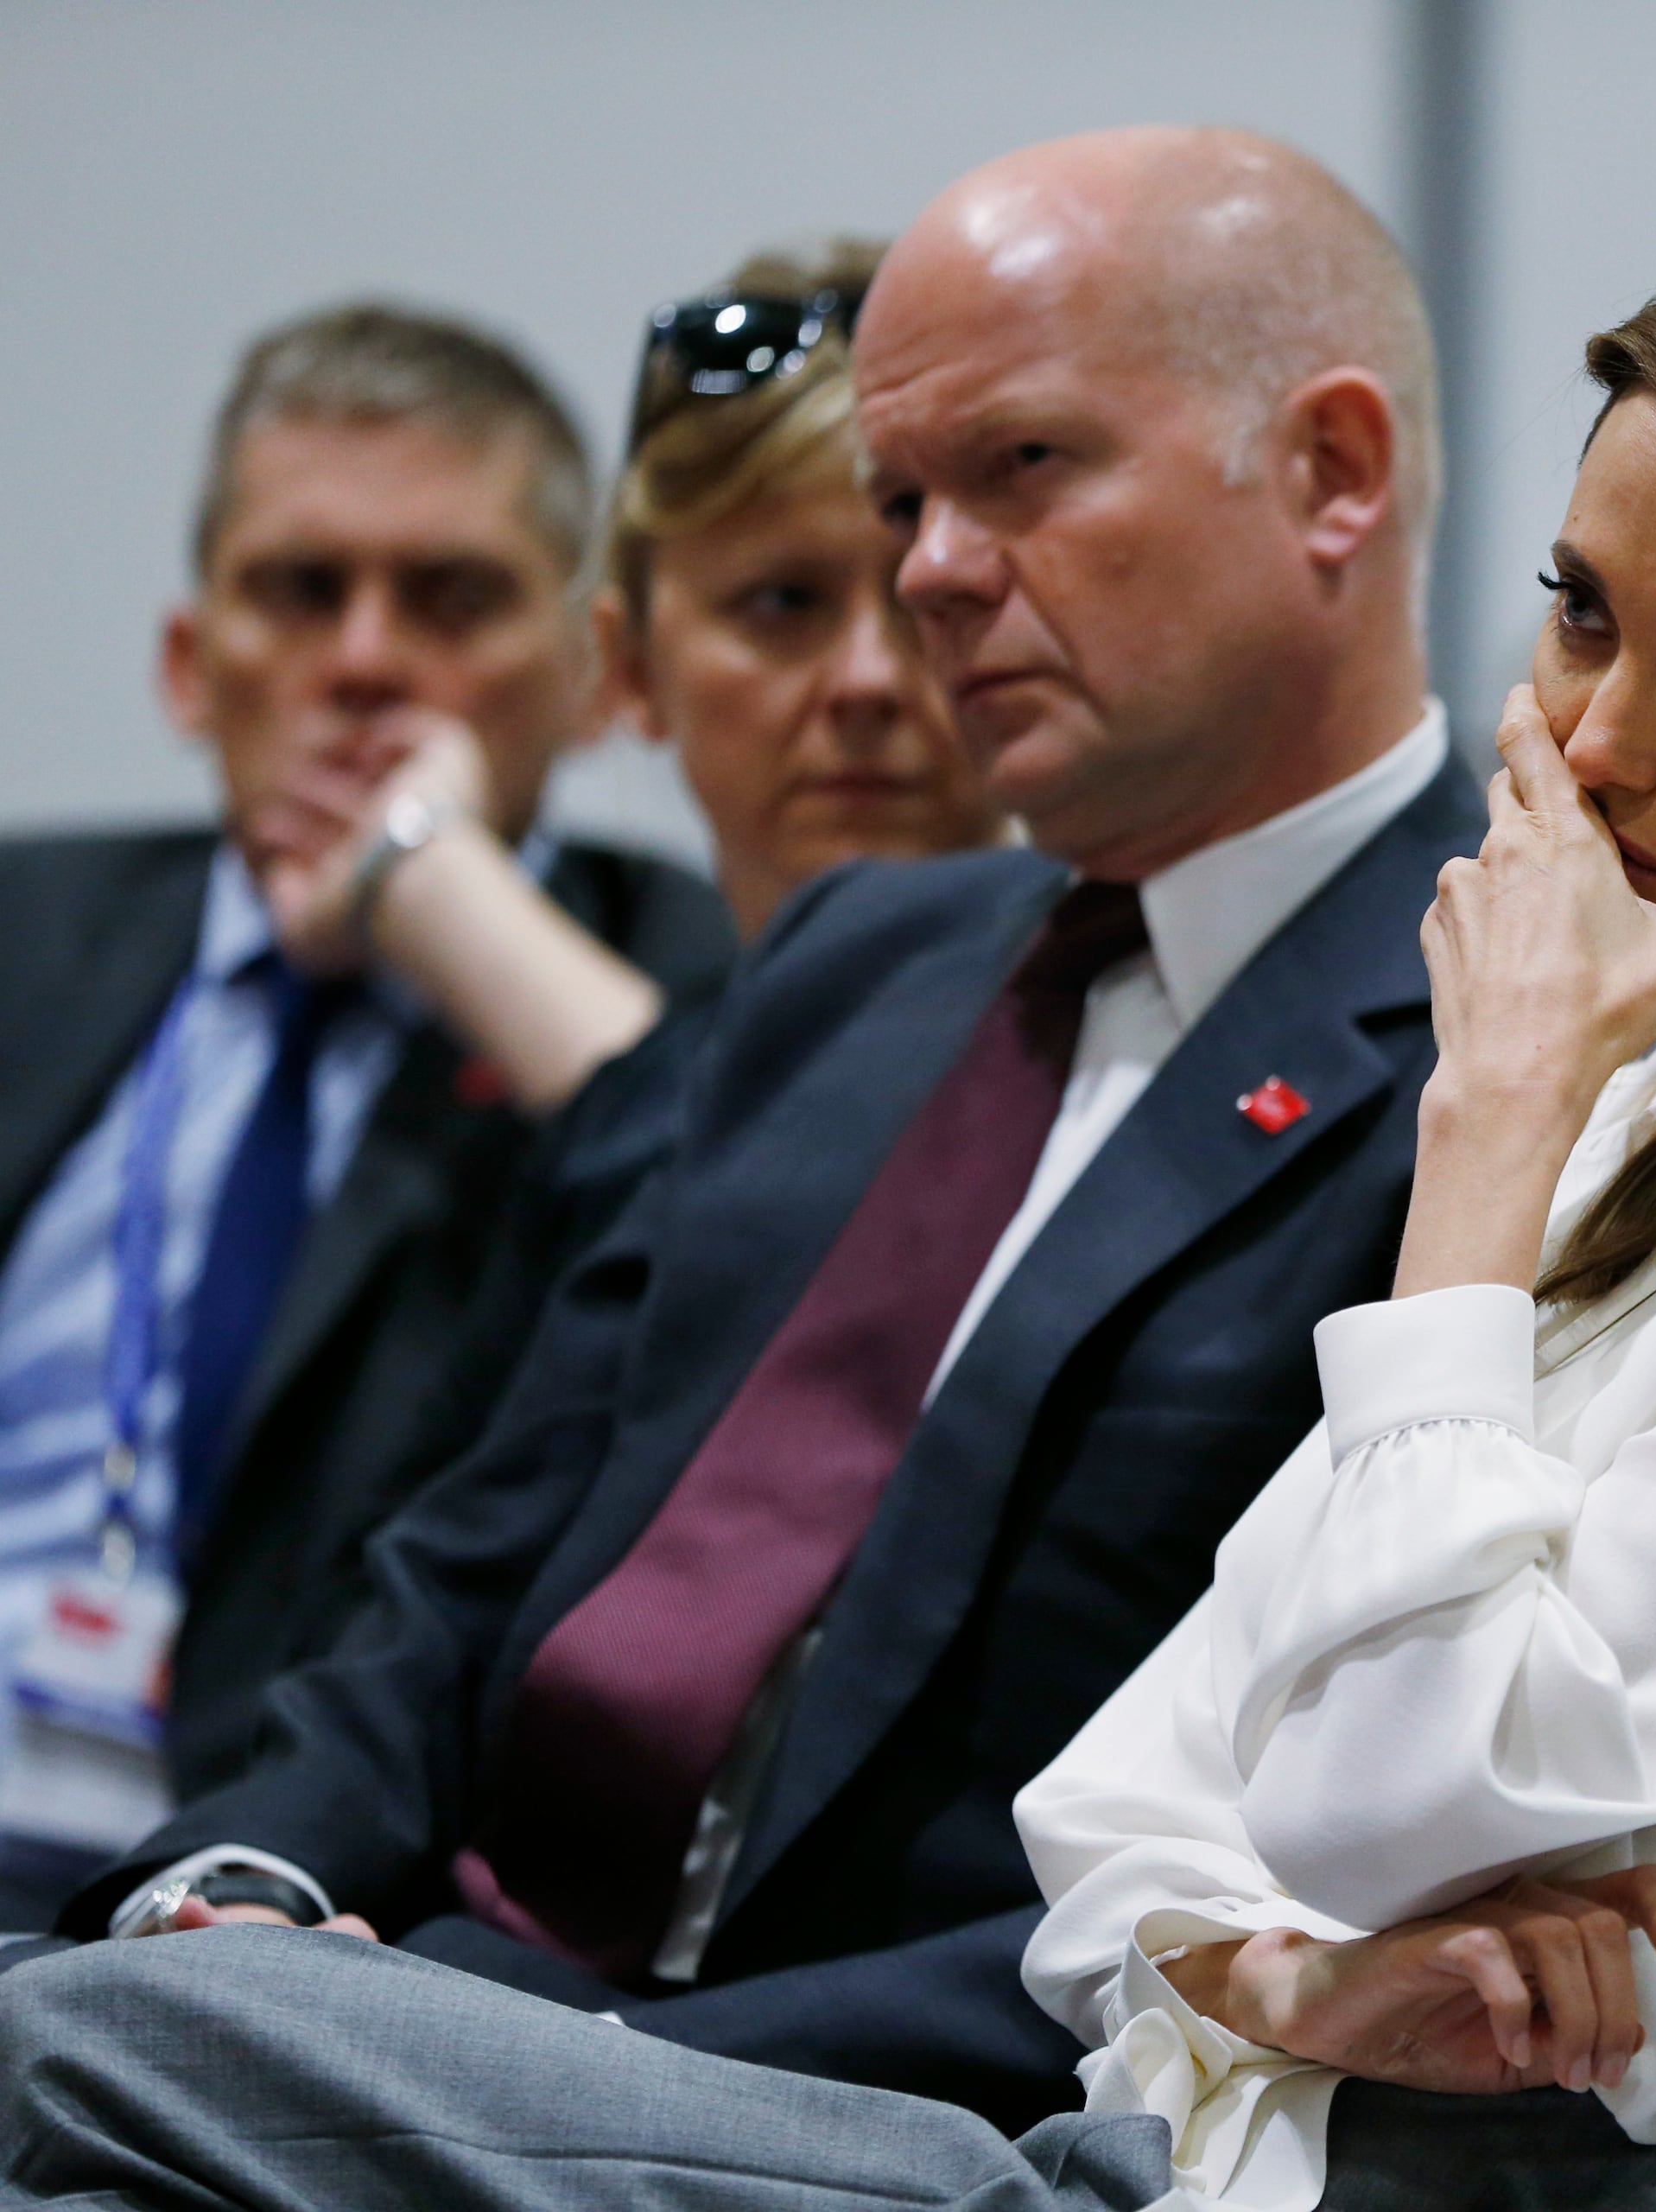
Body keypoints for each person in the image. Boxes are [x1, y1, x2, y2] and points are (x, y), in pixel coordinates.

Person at [0, 207, 1656, 2212]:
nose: (1592, 740)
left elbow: (1402, 1795)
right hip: (1181, 2134)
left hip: (1298, 2171)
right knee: (104, 2112)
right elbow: (1118, 1823)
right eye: (1581, 614)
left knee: (69, 2044)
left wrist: (1485, 1135)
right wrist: (1280, 1969)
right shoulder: (1631, 1121)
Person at [31, 125, 1477, 2129]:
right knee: (78, 2018)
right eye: (903, 501)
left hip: (876, 2105)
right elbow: (471, 1561)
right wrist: (248, 1881)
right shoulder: (856, 963)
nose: (932, 573)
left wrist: (518, 2068)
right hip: (430, 2016)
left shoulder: (1516, 1034)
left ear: (1330, 473)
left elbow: (1295, 1856)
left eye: (1023, 468)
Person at [0, 305, 736, 1920]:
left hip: (287, 1893)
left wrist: (432, 887)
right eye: (298, 591)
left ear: (594, 673)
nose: (363, 662)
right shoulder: (28, 934)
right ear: (189, 665)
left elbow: (729, 1237)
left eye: (453, 598)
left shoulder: (681, 978)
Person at [313, 236, 1008, 1532]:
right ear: (625, 669)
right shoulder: (619, 1037)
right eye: (783, 603)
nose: (866, 680)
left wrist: (423, 870)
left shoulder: (1134, 1033)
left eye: (926, 600)